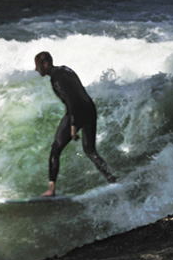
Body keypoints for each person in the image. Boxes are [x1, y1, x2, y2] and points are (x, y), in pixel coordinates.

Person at [34, 52, 117, 196]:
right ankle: (112, 179)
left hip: (76, 112)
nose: (36, 69)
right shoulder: (66, 69)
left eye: (37, 66)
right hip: (89, 109)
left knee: (55, 149)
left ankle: (51, 190)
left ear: (45, 64)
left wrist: (73, 124)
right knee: (90, 150)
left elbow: (71, 100)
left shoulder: (56, 79)